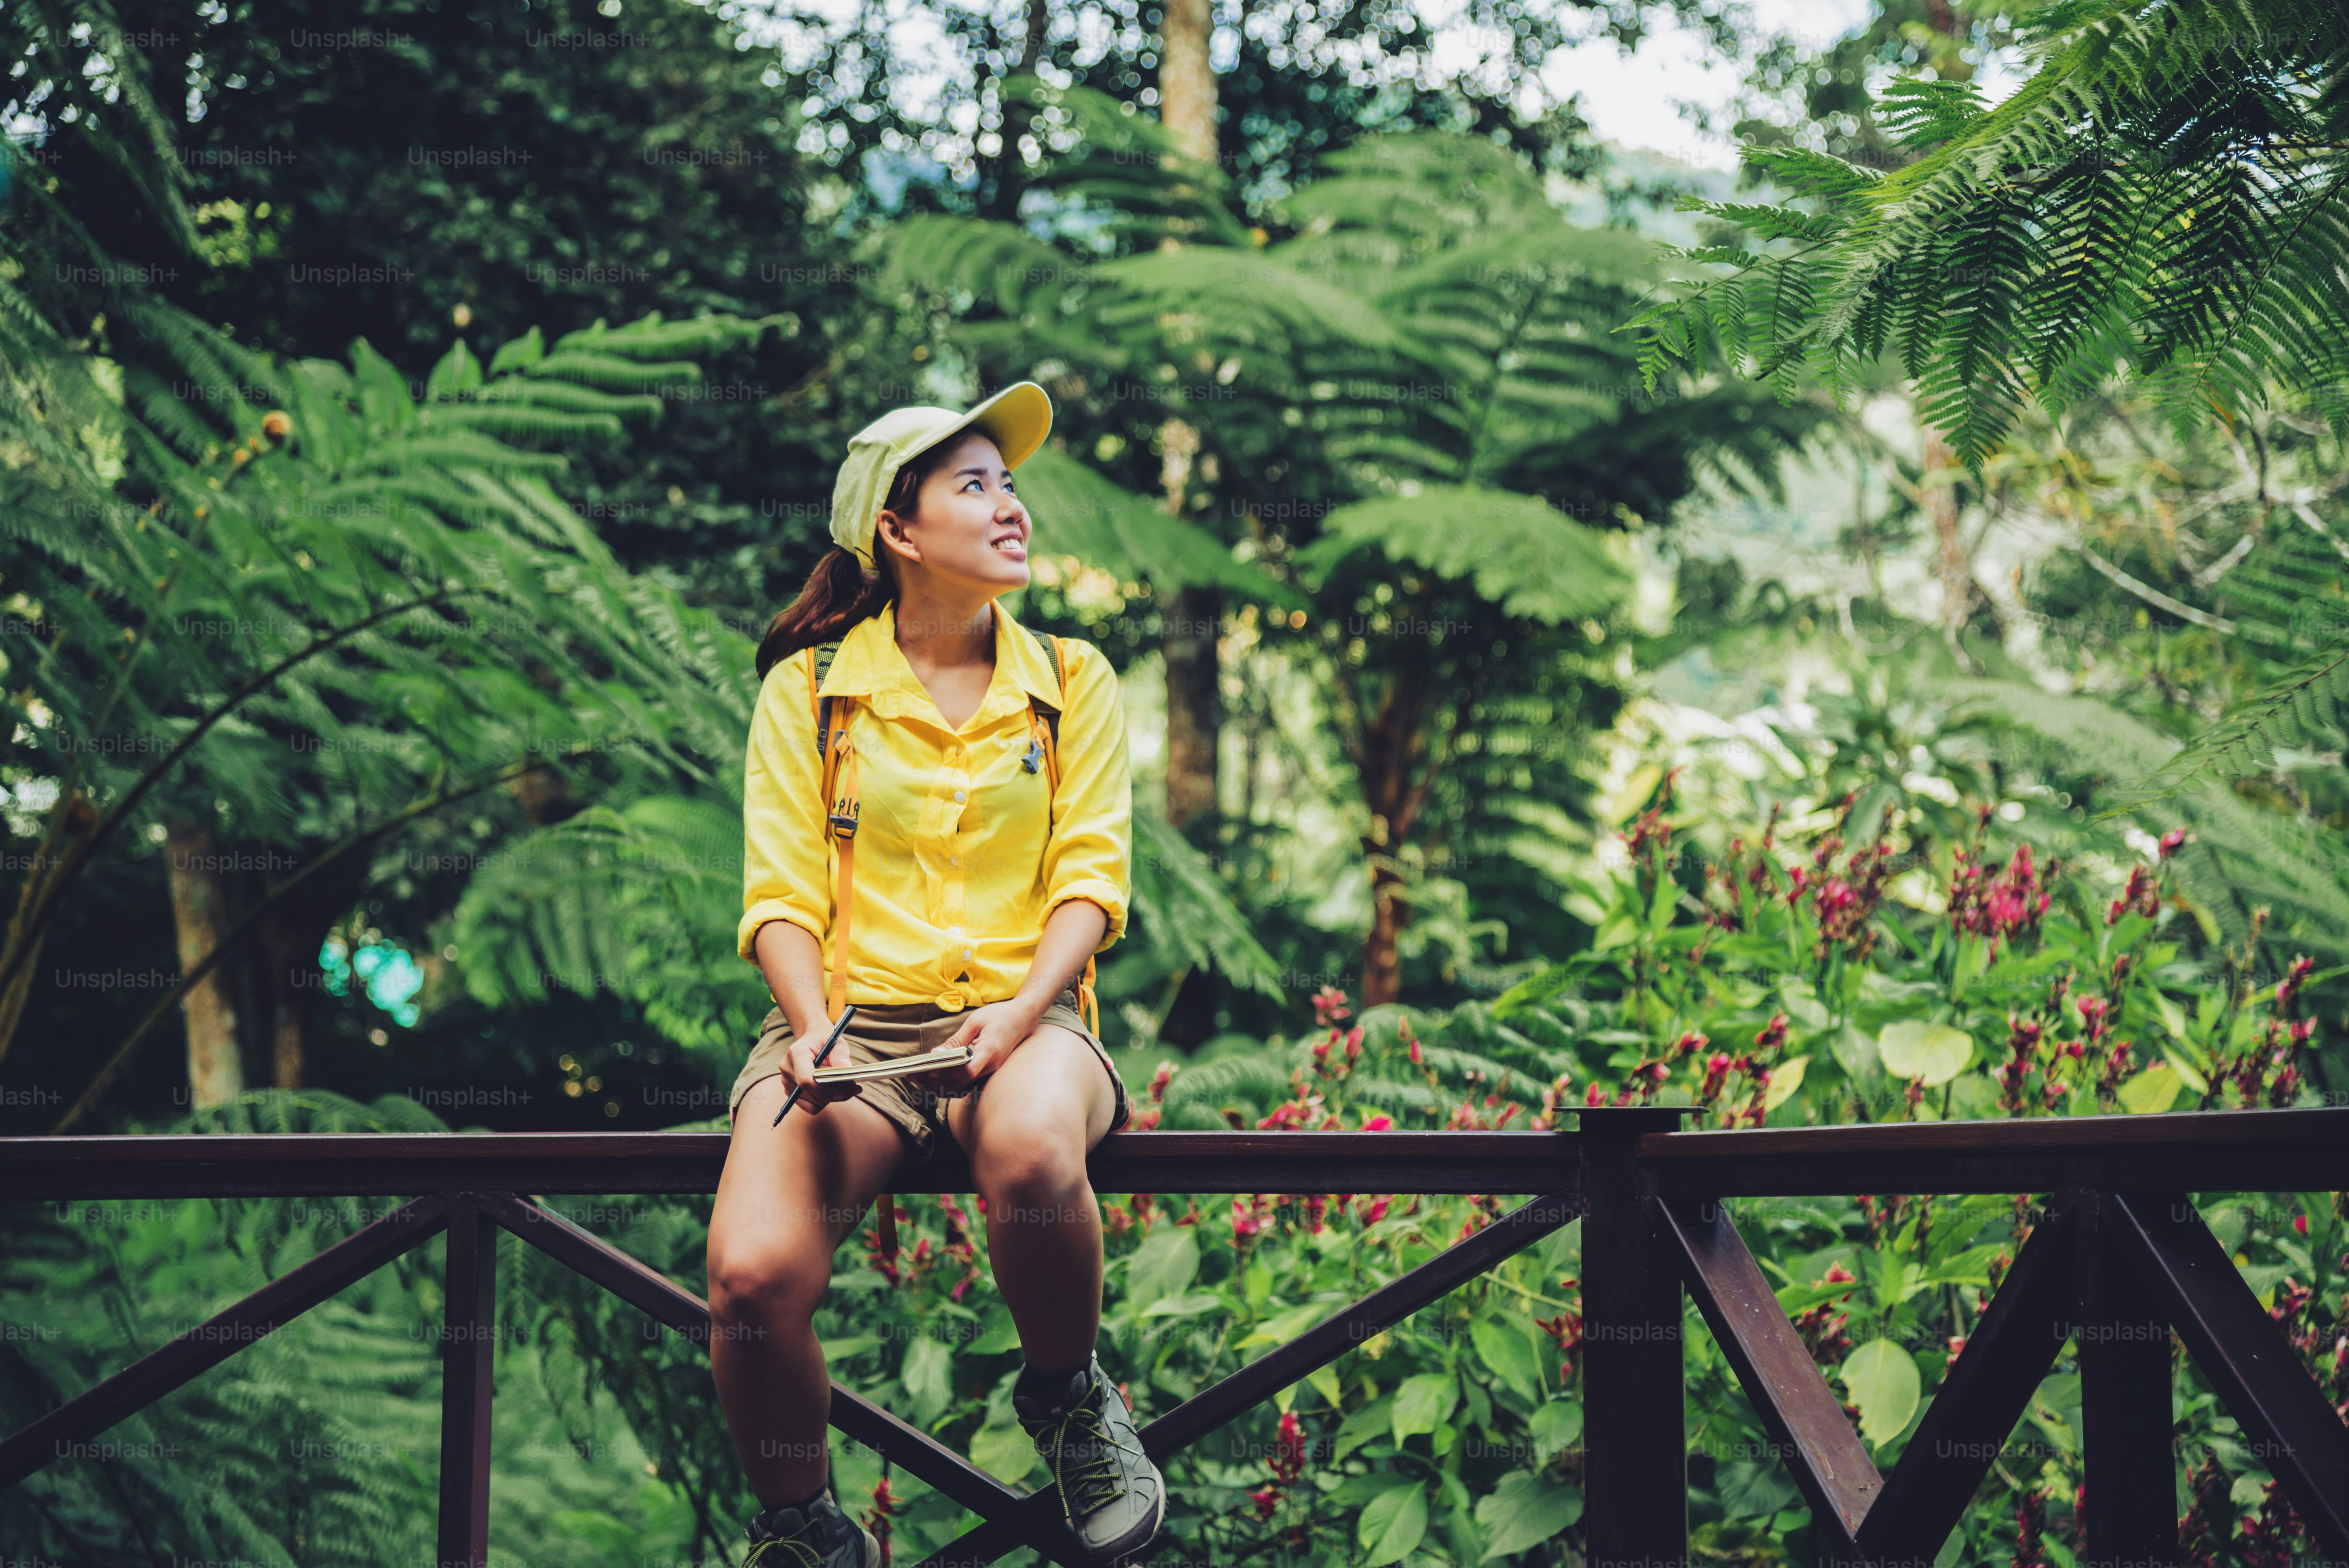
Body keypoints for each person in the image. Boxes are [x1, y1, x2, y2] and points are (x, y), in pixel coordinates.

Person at [708, 382, 1163, 1568]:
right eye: (974, 485)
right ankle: (805, 1527)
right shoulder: (808, 695)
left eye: (1009, 484)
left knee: (1022, 1147)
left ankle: (1070, 1406)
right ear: (898, 533)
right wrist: (811, 1031)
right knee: (751, 1279)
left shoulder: (1072, 681)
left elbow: (1092, 883)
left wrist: (1022, 1013)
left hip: (1032, 1024)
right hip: (853, 1040)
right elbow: (780, 896)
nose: (1009, 506)